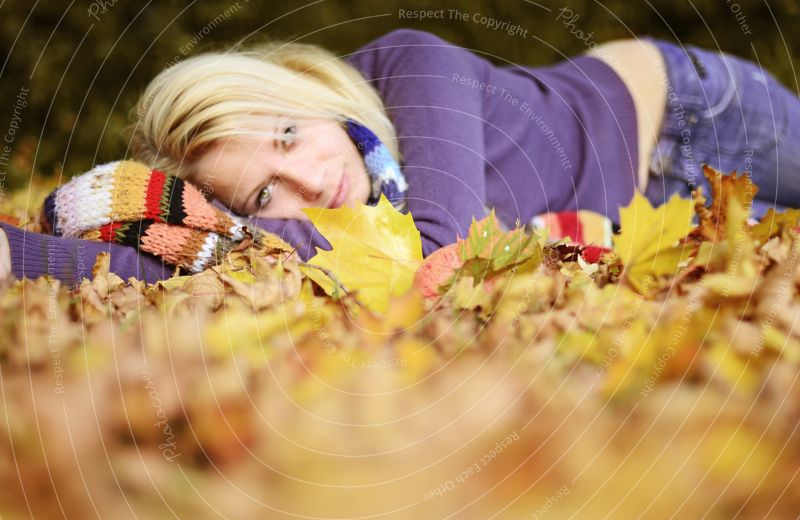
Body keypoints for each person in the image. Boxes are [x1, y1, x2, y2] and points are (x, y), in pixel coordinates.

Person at [2, 28, 800, 286]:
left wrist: (240, 243)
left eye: (288, 135)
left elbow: (432, 247)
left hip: (697, 120)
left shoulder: (409, 64)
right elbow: (218, 269)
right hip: (675, 229)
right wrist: (19, 256)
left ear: (307, 89)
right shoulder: (293, 230)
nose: (313, 179)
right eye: (263, 193)